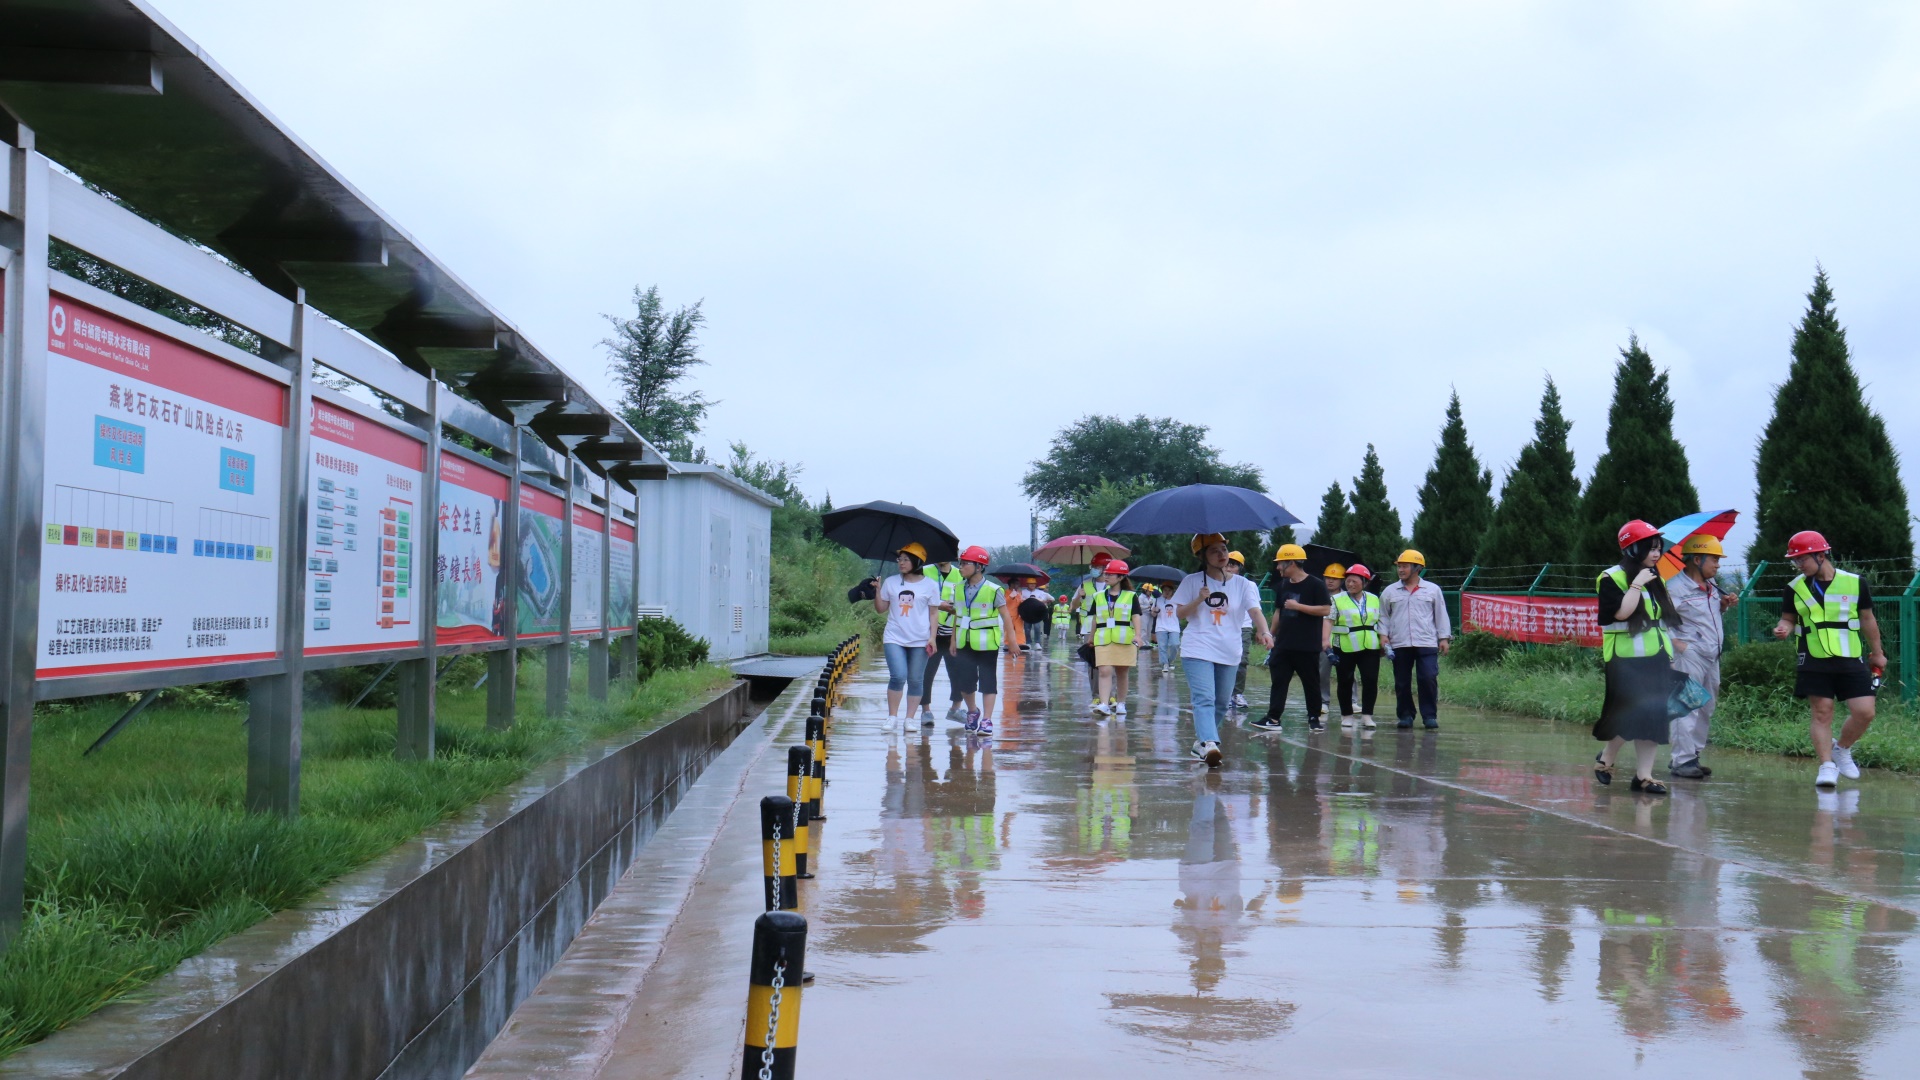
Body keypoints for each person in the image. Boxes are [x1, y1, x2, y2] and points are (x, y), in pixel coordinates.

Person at [1772, 530, 1888, 789]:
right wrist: (1783, 628)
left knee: (1865, 712)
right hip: (1813, 656)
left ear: (1821, 554)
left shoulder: (1855, 583)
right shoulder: (1794, 588)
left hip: (1850, 655)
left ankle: (1842, 749)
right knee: (1822, 712)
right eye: (1795, 560)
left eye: (1802, 559)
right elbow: (1788, 618)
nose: (1799, 565)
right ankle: (1826, 766)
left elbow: (1868, 619)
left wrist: (1877, 652)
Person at [1592, 520, 1683, 795]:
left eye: (1658, 548)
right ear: (1632, 549)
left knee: (1653, 716)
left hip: (1656, 657)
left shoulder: (1658, 579)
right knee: (1629, 713)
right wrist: (1636, 585)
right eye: (1650, 548)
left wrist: (1669, 653)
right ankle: (1606, 758)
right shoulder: (1611, 578)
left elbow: (1662, 622)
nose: (1656, 554)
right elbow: (1620, 614)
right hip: (1625, 660)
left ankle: (1644, 776)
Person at [1172, 534, 1273, 768]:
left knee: (1221, 702)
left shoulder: (1243, 584)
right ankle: (1209, 742)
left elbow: (1255, 611)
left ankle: (1202, 744)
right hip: (1198, 647)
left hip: (1229, 650)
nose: (1222, 554)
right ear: (1202, 556)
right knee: (1204, 698)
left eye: (1224, 549)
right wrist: (1199, 599)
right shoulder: (1191, 581)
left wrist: (1265, 631)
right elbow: (1179, 614)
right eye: (1214, 551)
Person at [1667, 534, 1733, 779]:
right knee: (1686, 706)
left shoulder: (1712, 587)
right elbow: (1660, 621)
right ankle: (1681, 760)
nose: (1717, 565)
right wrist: (1679, 646)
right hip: (1690, 655)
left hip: (1712, 655)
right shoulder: (1675, 588)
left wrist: (1724, 605)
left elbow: (1710, 618)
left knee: (1706, 706)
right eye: (1714, 559)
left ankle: (1692, 755)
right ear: (1697, 558)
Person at [1253, 544, 1331, 733]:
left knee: (1311, 683)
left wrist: (1299, 607)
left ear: (1293, 563)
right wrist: (1270, 634)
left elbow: (1326, 609)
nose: (1278, 568)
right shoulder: (1283, 585)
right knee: (1279, 682)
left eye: (1281, 564)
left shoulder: (1315, 584)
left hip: (1307, 646)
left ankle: (1314, 718)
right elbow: (1279, 611)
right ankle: (1273, 718)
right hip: (1284, 644)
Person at [1379, 549, 1451, 730]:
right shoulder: (1390, 591)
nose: (1401, 570)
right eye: (1399, 566)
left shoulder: (1433, 590)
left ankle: (1429, 716)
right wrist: (1383, 635)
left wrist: (1444, 638)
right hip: (1400, 642)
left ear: (1417, 568)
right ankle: (1405, 715)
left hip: (1426, 642)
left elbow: (1441, 615)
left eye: (1405, 566)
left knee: (1428, 678)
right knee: (1402, 682)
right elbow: (1383, 616)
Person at [874, 542, 942, 727]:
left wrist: (932, 637)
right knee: (898, 676)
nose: (901, 563)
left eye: (906, 559)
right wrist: (877, 591)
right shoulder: (891, 582)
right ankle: (892, 717)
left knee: (915, 679)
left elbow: (934, 613)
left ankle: (909, 719)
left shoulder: (930, 585)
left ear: (917, 562)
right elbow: (881, 609)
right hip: (894, 637)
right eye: (900, 559)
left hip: (920, 639)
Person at [949, 546, 1006, 735]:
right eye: (961, 563)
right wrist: (952, 641)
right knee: (964, 683)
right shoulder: (957, 589)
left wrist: (1012, 642)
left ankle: (987, 720)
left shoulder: (994, 590)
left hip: (988, 642)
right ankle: (973, 712)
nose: (961, 567)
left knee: (988, 681)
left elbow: (1006, 618)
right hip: (964, 642)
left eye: (965, 563)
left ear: (979, 567)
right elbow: (957, 616)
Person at [1328, 564, 1384, 730]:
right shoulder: (1336, 599)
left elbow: (1380, 622)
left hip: (1370, 646)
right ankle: (1346, 715)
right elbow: (1328, 622)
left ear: (1364, 582)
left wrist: (1384, 642)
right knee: (1344, 680)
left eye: (1354, 581)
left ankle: (1367, 716)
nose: (1350, 584)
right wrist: (1327, 644)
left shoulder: (1374, 599)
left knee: (1370, 680)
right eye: (1348, 581)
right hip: (1344, 646)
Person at [1087, 561, 1143, 715]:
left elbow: (1136, 616)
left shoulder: (1131, 596)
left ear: (1120, 577)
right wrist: (1091, 637)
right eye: (1106, 573)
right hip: (1103, 638)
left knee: (1122, 672)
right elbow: (1095, 619)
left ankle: (1121, 703)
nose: (1106, 576)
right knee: (1104, 671)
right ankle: (1104, 703)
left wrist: (1138, 635)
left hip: (1125, 639)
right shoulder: (1098, 596)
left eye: (1110, 574)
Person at [919, 556, 966, 725]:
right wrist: (939, 605)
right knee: (927, 672)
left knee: (958, 671)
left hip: (952, 631)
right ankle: (926, 711)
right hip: (930, 631)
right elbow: (919, 597)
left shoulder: (960, 574)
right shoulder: (924, 571)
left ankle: (956, 708)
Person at [1073, 552, 1114, 703]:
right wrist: (1079, 596)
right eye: (1093, 566)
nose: (1094, 569)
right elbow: (1073, 606)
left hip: (1109, 628)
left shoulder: (1114, 585)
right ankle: (1096, 696)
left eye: (1097, 566)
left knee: (1111, 661)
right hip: (1088, 628)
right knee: (1094, 663)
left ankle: (1111, 695)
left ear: (1105, 568)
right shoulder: (1084, 585)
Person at [1226, 551, 1254, 710]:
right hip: (1224, 626)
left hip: (1243, 626)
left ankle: (1237, 693)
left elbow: (1255, 608)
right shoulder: (1218, 583)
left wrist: (1262, 630)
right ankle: (1223, 693)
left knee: (1242, 660)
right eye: (1228, 564)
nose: (1229, 568)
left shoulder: (1249, 585)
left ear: (1240, 568)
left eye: (1233, 565)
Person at [1319, 562, 1344, 715]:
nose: (1331, 581)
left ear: (1342, 580)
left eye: (1335, 578)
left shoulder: (1346, 598)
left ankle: (1352, 701)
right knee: (1322, 671)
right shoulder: (1319, 594)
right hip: (1323, 640)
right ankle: (1323, 701)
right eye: (1328, 577)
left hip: (1343, 640)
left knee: (1347, 672)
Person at [1154, 581, 1183, 672]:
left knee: (1175, 644)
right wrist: (1155, 610)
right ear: (1162, 590)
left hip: (1174, 626)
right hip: (1161, 626)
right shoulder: (1157, 600)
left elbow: (1181, 613)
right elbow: (1153, 614)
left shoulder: (1177, 600)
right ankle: (1164, 664)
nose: (1167, 592)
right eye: (1165, 590)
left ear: (1172, 591)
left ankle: (1170, 661)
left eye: (1169, 590)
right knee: (1162, 646)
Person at [1017, 578, 1051, 650]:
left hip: (1036, 614)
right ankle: (1028, 642)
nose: (1032, 585)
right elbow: (1019, 601)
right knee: (1027, 629)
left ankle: (1037, 643)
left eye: (1034, 584)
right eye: (1030, 584)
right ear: (1027, 584)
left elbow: (1051, 599)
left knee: (1037, 628)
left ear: (1036, 584)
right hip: (1027, 613)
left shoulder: (1040, 592)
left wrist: (1044, 601)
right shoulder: (1023, 592)